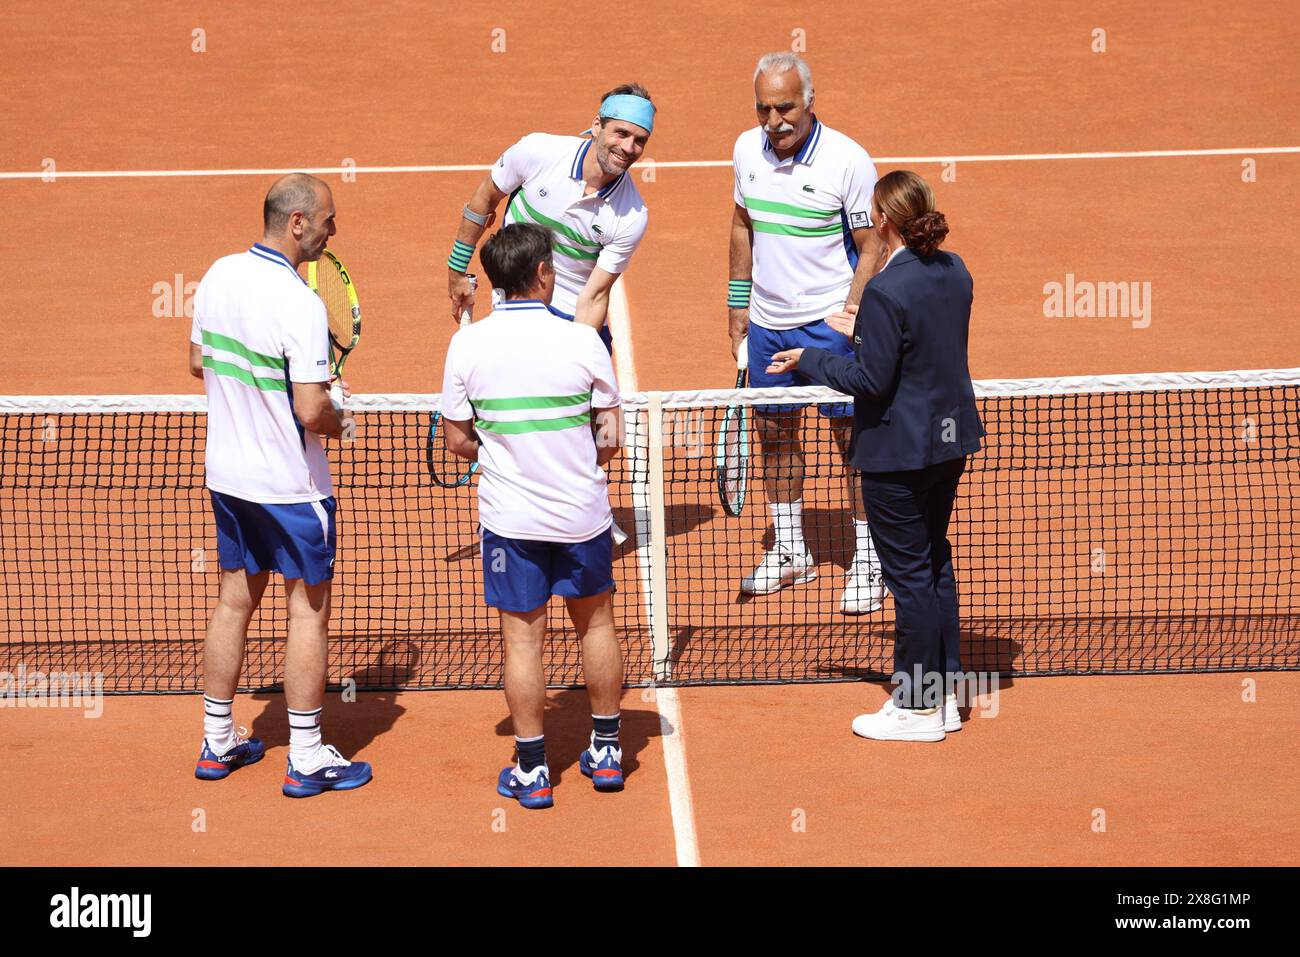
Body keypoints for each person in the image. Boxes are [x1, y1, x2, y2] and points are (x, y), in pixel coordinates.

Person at [768, 170, 984, 742]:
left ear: (884, 221)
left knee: (909, 576)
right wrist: (866, 327)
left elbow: (869, 379)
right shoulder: (955, 270)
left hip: (898, 452)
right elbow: (922, 345)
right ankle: (944, 692)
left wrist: (811, 358)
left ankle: (915, 706)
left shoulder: (888, 290)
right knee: (934, 562)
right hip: (948, 442)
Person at [188, 173, 374, 795]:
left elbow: (198, 361)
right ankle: (307, 754)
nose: (333, 228)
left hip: (230, 479)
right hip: (292, 490)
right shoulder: (300, 302)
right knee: (308, 613)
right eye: (327, 218)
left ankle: (218, 742)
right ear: (297, 222)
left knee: (233, 602)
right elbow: (308, 410)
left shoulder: (216, 274)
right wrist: (341, 418)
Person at [441, 223, 625, 810]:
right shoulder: (583, 340)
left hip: (510, 523)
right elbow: (610, 437)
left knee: (522, 642)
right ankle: (606, 752)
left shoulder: (467, 345)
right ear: (543, 274)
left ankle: (532, 770)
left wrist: (503, 449)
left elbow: (457, 442)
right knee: (595, 626)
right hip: (583, 518)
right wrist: (571, 458)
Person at [728, 53, 888, 613]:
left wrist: (850, 311)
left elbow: (873, 246)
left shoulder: (848, 161)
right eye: (764, 107)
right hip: (768, 325)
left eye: (786, 107)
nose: (774, 120)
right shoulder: (746, 149)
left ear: (809, 102)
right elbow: (743, 225)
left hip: (829, 327)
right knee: (774, 435)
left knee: (854, 442)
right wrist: (737, 308)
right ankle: (791, 548)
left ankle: (870, 556)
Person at [446, 83, 654, 349]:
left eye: (640, 141)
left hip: (576, 318)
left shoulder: (632, 216)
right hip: (518, 304)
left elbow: (594, 297)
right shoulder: (538, 151)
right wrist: (456, 272)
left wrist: (577, 356)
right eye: (621, 133)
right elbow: (484, 199)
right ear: (597, 126)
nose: (628, 147)